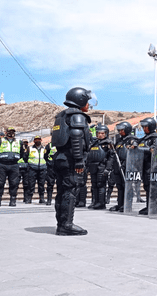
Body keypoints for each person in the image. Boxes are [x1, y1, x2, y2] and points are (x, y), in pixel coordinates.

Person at [50, 87, 96, 235]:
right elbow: (76, 138)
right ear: (80, 100)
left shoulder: (62, 115)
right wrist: (78, 161)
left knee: (62, 191)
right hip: (71, 159)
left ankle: (61, 224)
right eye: (87, 101)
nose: (89, 104)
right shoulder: (77, 116)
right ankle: (67, 225)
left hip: (61, 158)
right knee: (70, 191)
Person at [134, 117, 157, 215]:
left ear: (150, 126)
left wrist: (141, 149)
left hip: (153, 166)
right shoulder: (144, 138)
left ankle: (153, 207)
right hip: (144, 165)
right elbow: (136, 144)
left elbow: (155, 149)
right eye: (142, 127)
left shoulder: (156, 137)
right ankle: (148, 206)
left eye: (145, 126)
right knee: (147, 187)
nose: (143, 128)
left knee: (152, 187)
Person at [110, 121, 138, 212]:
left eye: (121, 130)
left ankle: (127, 204)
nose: (120, 131)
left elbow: (135, 146)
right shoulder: (119, 140)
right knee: (119, 186)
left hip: (127, 165)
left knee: (126, 185)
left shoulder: (131, 139)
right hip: (118, 165)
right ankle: (120, 204)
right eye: (119, 130)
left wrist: (133, 145)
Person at [85, 124, 115, 210]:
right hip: (93, 166)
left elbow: (111, 157)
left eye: (102, 133)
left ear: (106, 134)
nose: (100, 135)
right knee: (94, 185)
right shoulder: (94, 143)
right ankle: (95, 201)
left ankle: (101, 203)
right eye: (98, 133)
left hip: (102, 166)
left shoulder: (108, 143)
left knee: (101, 184)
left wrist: (108, 168)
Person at [0, 127, 23, 206]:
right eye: (9, 131)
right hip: (2, 164)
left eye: (12, 131)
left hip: (14, 165)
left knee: (14, 183)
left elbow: (22, 154)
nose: (11, 133)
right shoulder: (1, 141)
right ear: (6, 132)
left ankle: (13, 200)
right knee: (0, 183)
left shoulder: (19, 142)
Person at [26, 136, 48, 204]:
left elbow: (46, 157)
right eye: (36, 140)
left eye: (39, 139)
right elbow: (25, 157)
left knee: (41, 184)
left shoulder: (44, 149)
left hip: (42, 169)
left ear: (41, 140)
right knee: (31, 184)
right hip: (32, 168)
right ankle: (29, 198)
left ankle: (42, 198)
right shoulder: (30, 148)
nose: (37, 141)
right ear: (34, 141)